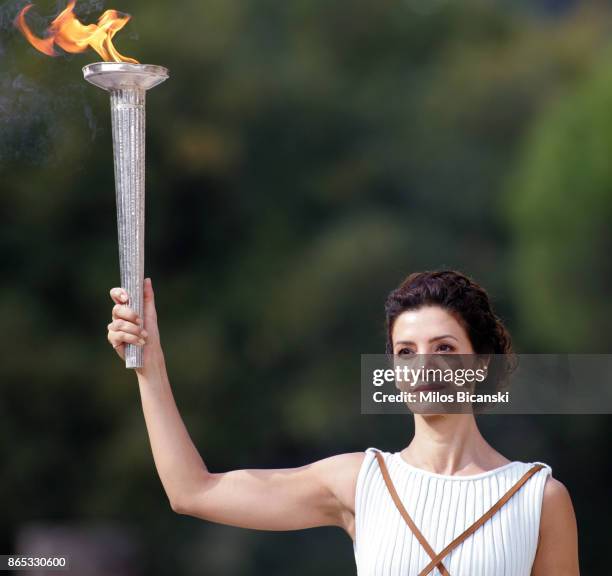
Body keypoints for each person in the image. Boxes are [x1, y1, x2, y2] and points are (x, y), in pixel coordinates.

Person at [106, 269, 579, 575]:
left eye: (445, 348)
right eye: (406, 353)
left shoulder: (540, 499)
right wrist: (151, 365)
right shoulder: (360, 483)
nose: (423, 367)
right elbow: (192, 491)